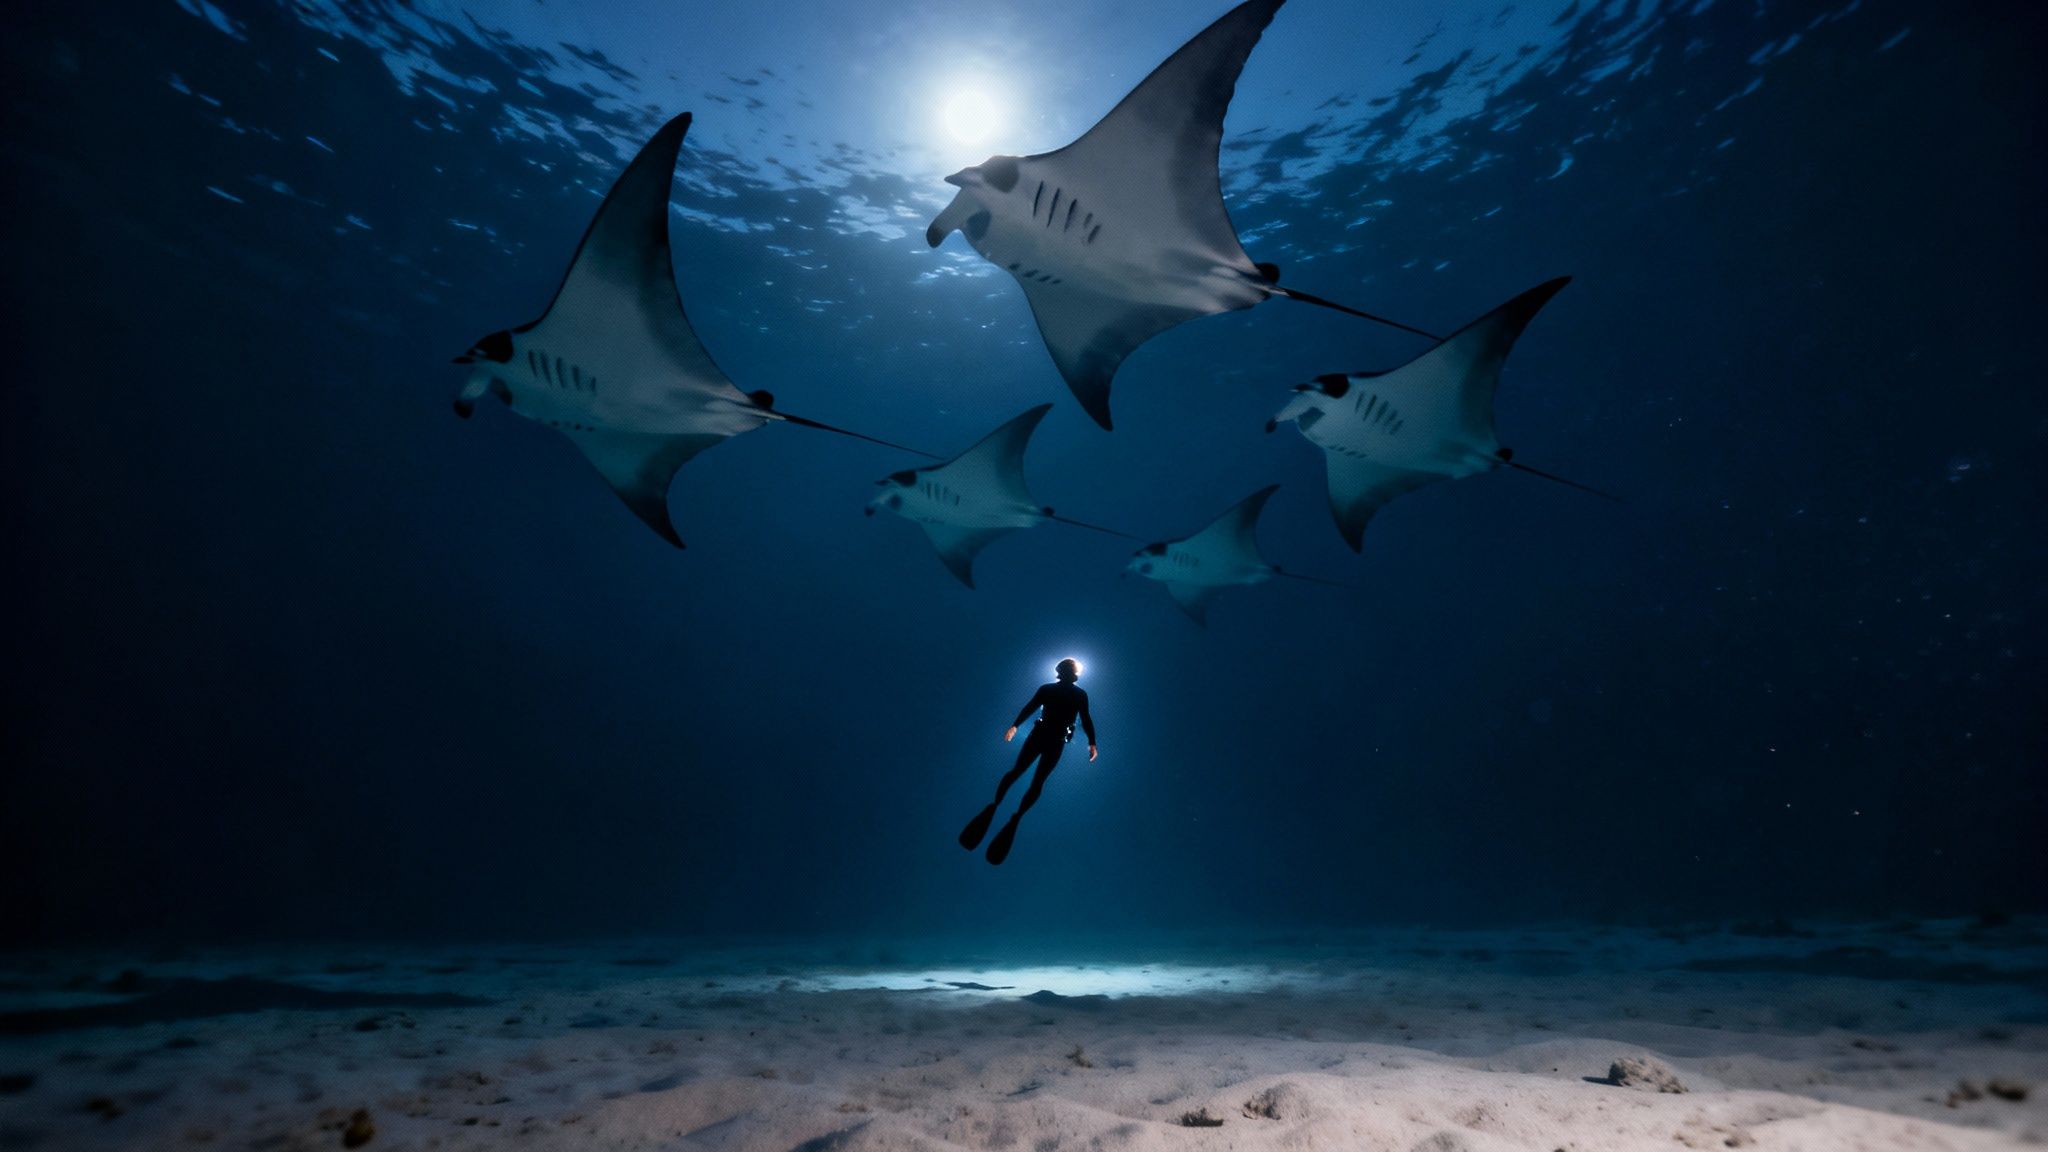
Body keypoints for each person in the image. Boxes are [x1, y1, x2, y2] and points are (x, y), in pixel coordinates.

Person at [960, 658, 1098, 865]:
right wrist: (1092, 743)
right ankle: (1008, 812)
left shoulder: (1057, 691)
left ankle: (999, 807)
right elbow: (1082, 718)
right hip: (1052, 739)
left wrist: (1015, 726)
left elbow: (1032, 708)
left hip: (1043, 736)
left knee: (1022, 774)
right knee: (1033, 779)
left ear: (1060, 671)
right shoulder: (1075, 694)